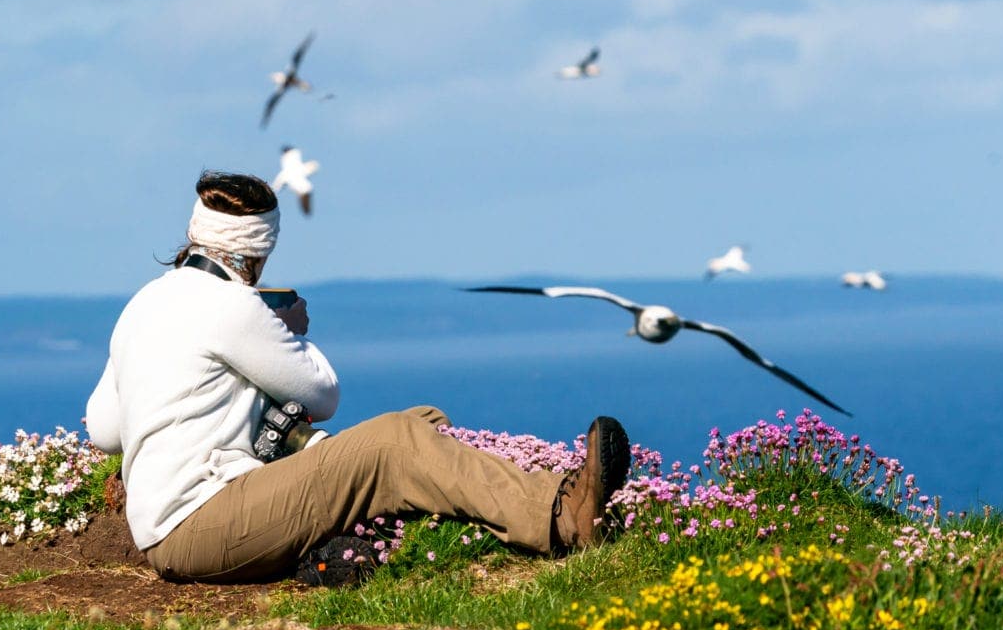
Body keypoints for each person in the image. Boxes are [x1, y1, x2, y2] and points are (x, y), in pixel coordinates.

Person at [86, 171, 631, 583]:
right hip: (203, 523)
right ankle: (562, 515)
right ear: (258, 251)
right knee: (395, 444)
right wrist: (288, 330)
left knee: (420, 426)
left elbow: (103, 430)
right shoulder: (233, 306)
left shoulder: (142, 305)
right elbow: (323, 395)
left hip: (170, 527)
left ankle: (460, 505)